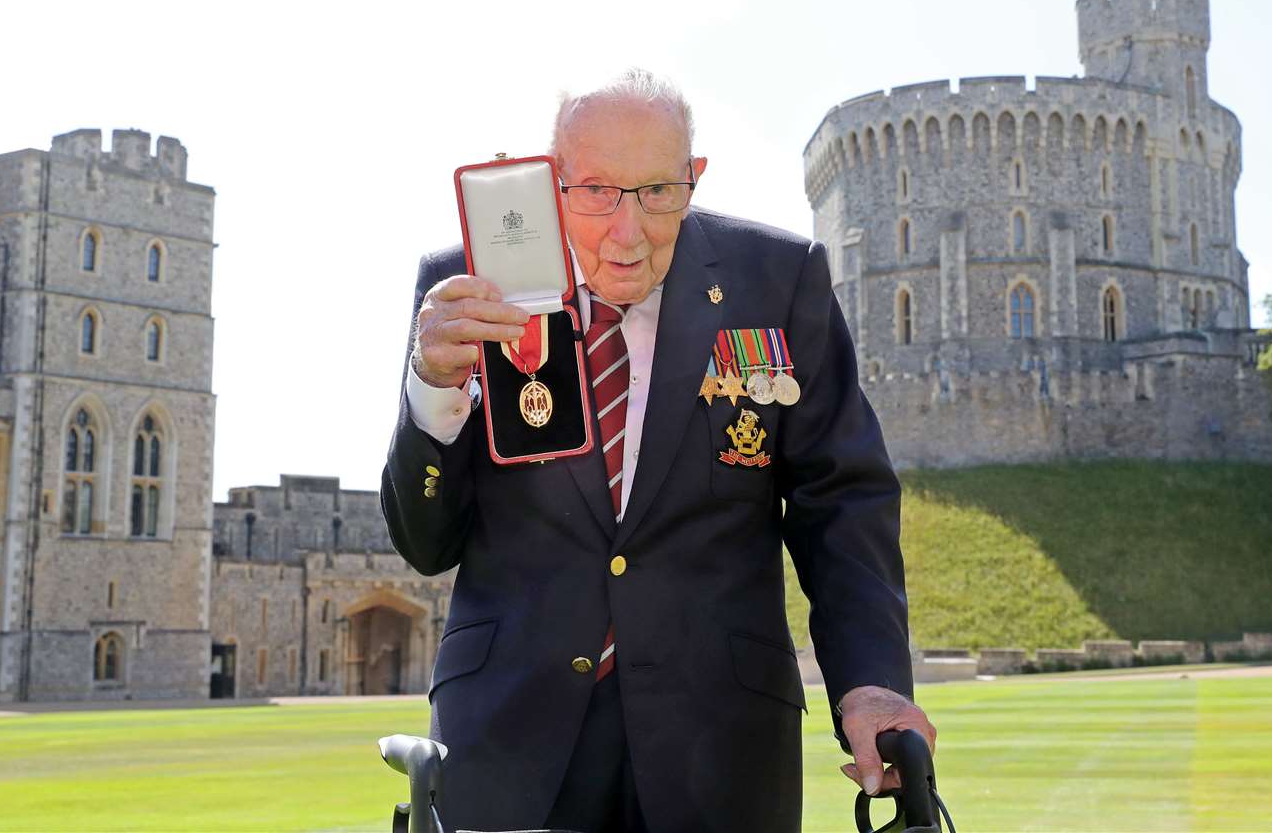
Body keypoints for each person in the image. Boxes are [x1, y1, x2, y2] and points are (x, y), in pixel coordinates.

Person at [382, 69, 933, 832]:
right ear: (551, 182)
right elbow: (424, 543)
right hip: (509, 738)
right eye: (598, 191)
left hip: (720, 747)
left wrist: (870, 683)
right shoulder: (464, 288)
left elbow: (841, 500)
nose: (627, 231)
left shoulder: (778, 281)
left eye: (657, 193)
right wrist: (434, 387)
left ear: (693, 179)